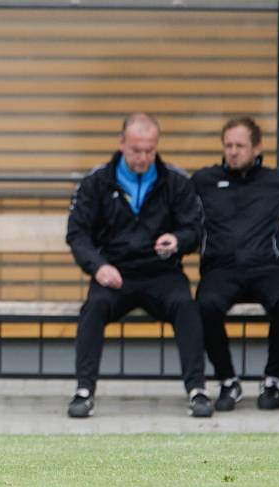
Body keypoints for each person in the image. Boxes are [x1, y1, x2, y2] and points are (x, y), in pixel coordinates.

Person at [66, 112, 212, 419]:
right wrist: (99, 267)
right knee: (93, 309)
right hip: (114, 274)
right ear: (122, 143)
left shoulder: (176, 181)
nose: (143, 157)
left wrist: (178, 240)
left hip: (162, 273)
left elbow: (194, 229)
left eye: (150, 150)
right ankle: (83, 391)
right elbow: (78, 234)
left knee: (187, 306)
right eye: (136, 150)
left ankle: (197, 390)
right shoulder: (96, 182)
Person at [192, 116, 279, 412]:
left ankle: (273, 379)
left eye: (240, 145)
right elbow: (174, 208)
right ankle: (228, 380)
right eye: (228, 145)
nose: (232, 151)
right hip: (221, 270)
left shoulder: (277, 182)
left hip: (266, 268)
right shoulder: (203, 181)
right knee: (205, 305)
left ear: (257, 147)